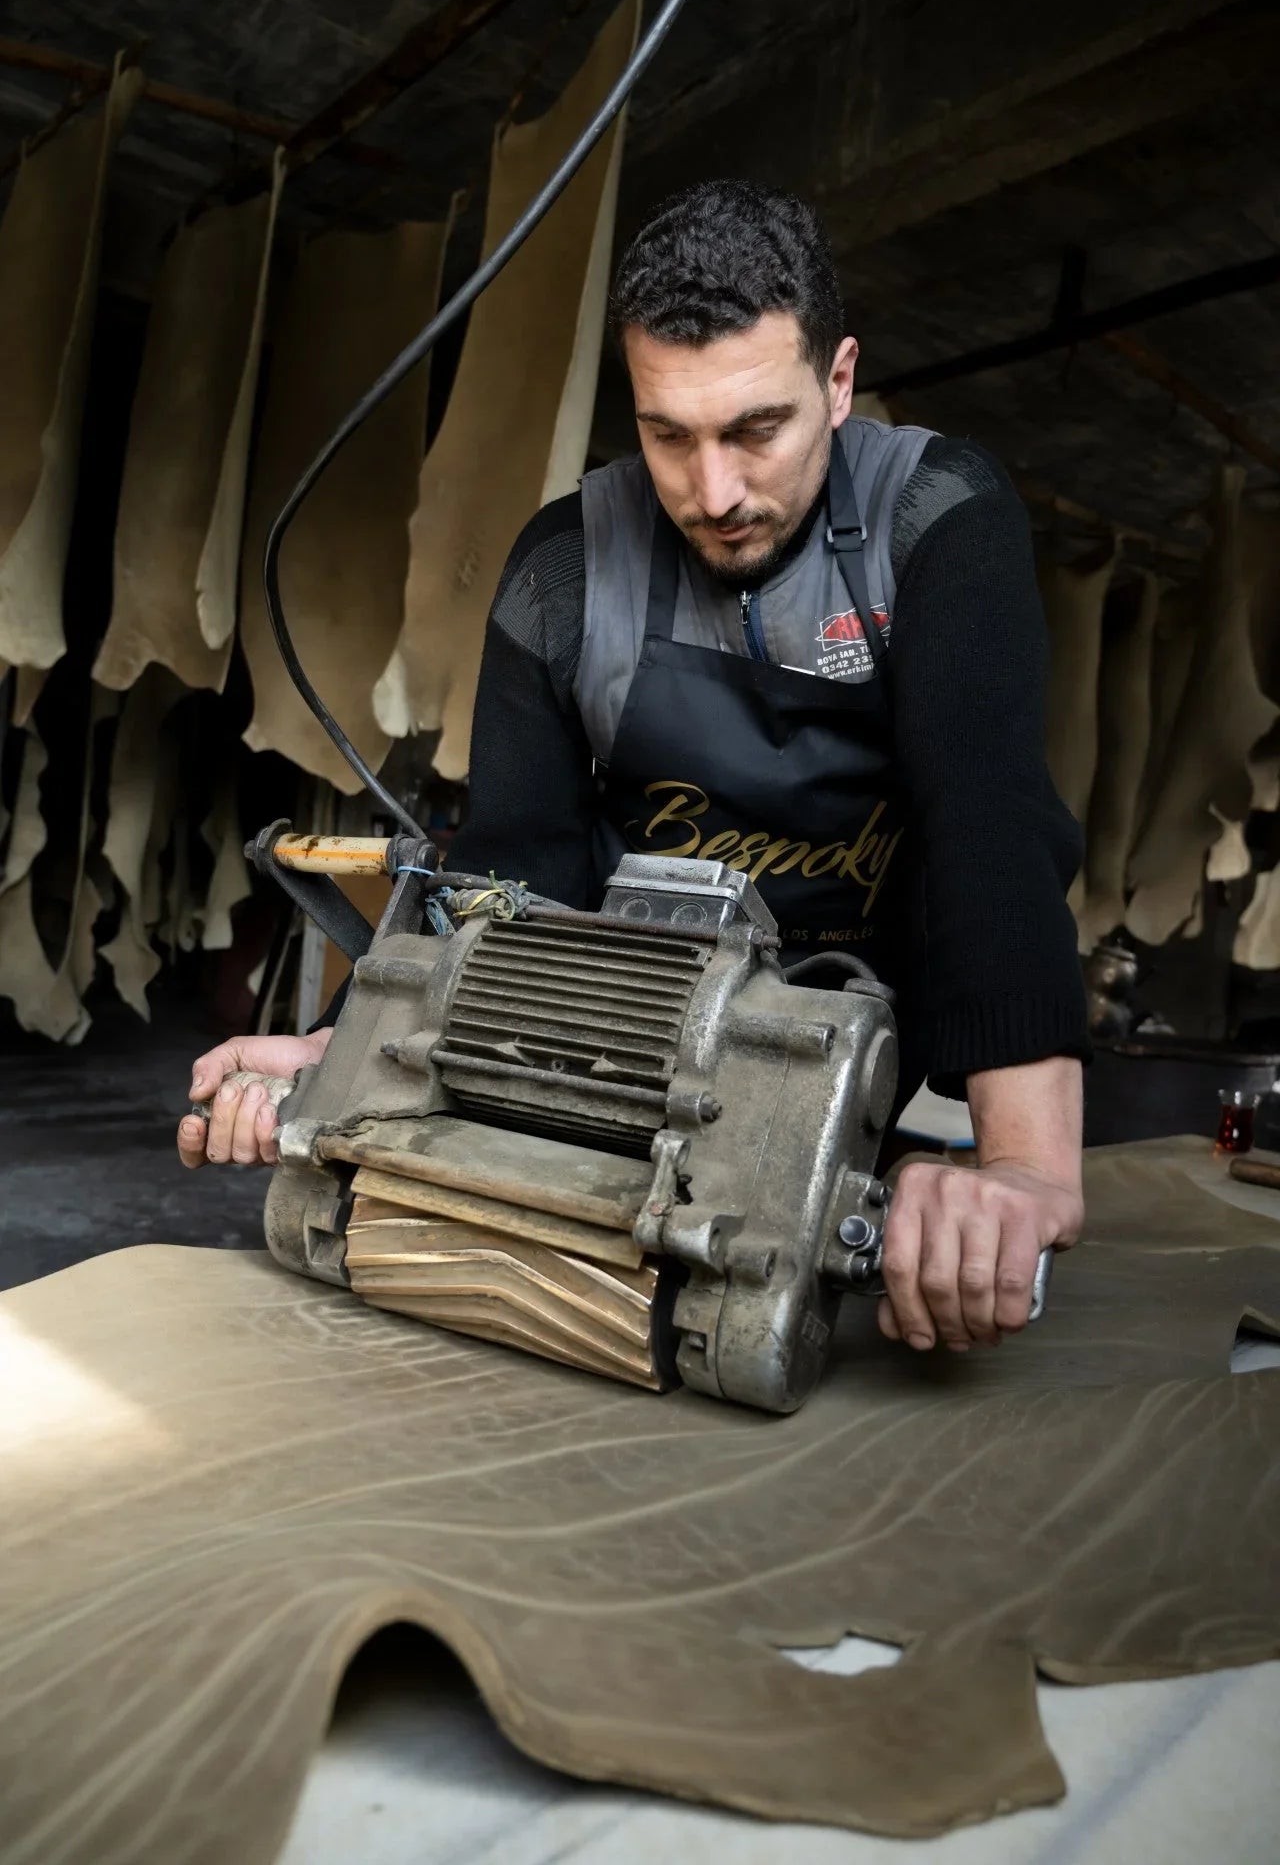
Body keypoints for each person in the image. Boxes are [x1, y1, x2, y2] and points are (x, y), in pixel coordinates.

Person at [179, 180, 1089, 1359]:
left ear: (837, 381)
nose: (714, 493)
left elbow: (988, 821)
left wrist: (1021, 1167)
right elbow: (514, 869)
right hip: (618, 1035)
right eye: (668, 435)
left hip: (853, 1034)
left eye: (755, 429)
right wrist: (343, 1046)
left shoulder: (937, 520)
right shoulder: (564, 571)